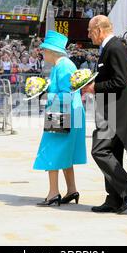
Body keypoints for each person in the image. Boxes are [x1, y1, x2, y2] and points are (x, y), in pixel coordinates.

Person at [82, 15, 127, 214]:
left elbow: (120, 81)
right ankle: (113, 198)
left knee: (100, 151)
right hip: (108, 107)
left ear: (99, 30)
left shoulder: (115, 47)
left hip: (115, 109)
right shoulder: (107, 47)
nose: (88, 35)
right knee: (112, 153)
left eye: (89, 30)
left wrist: (95, 87)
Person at [33, 30, 87, 206]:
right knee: (65, 153)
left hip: (62, 112)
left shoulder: (63, 66)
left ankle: (53, 192)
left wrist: (44, 96)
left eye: (44, 50)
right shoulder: (64, 64)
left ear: (51, 51)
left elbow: (66, 94)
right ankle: (71, 190)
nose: (42, 52)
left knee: (51, 150)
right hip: (69, 111)